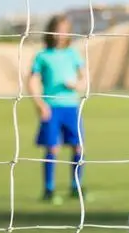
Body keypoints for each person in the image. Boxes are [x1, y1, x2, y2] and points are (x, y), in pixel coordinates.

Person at [28, 15, 89, 205]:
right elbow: (32, 81)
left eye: (63, 30)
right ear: (50, 31)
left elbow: (85, 78)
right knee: (52, 147)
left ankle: (76, 187)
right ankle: (49, 189)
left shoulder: (72, 54)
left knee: (78, 147)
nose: (60, 34)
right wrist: (39, 104)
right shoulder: (42, 56)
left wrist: (77, 85)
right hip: (51, 107)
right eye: (56, 30)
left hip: (71, 106)